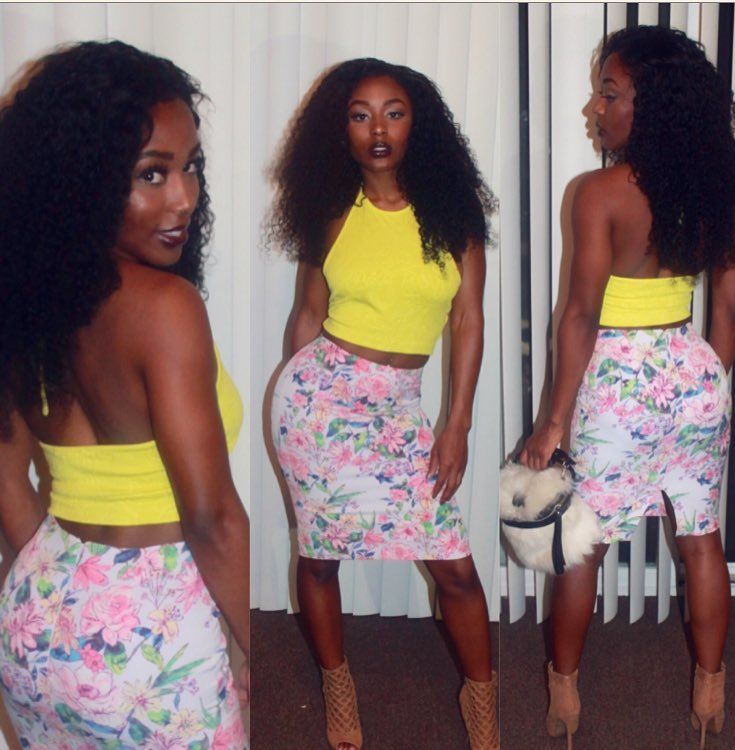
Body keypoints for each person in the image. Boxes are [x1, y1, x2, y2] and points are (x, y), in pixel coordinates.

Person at [0, 41, 249, 749]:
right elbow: (212, 517)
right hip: (152, 639)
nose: (184, 198)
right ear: (79, 180)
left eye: (191, 165)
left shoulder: (27, 297)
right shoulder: (165, 309)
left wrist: (67, 591)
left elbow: (6, 477)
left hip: (36, 616)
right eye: (151, 174)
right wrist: (251, 647)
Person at [520, 25, 735, 750]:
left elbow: (579, 315)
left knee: (583, 545)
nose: (595, 108)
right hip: (694, 375)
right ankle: (711, 693)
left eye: (609, 94)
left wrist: (552, 421)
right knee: (701, 540)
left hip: (616, 384)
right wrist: (703, 386)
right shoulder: (722, 189)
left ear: (647, 106)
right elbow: (729, 311)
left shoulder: (597, 194)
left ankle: (564, 695)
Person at [267, 58, 498, 749]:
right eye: (360, 114)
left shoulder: (454, 217)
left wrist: (456, 425)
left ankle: (483, 700)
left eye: (393, 113)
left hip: (399, 409)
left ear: (416, 124)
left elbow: (468, 321)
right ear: (340, 129)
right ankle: (338, 687)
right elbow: (308, 315)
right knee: (318, 557)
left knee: (455, 568)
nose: (378, 129)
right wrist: (293, 407)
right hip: (318, 404)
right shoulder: (332, 214)